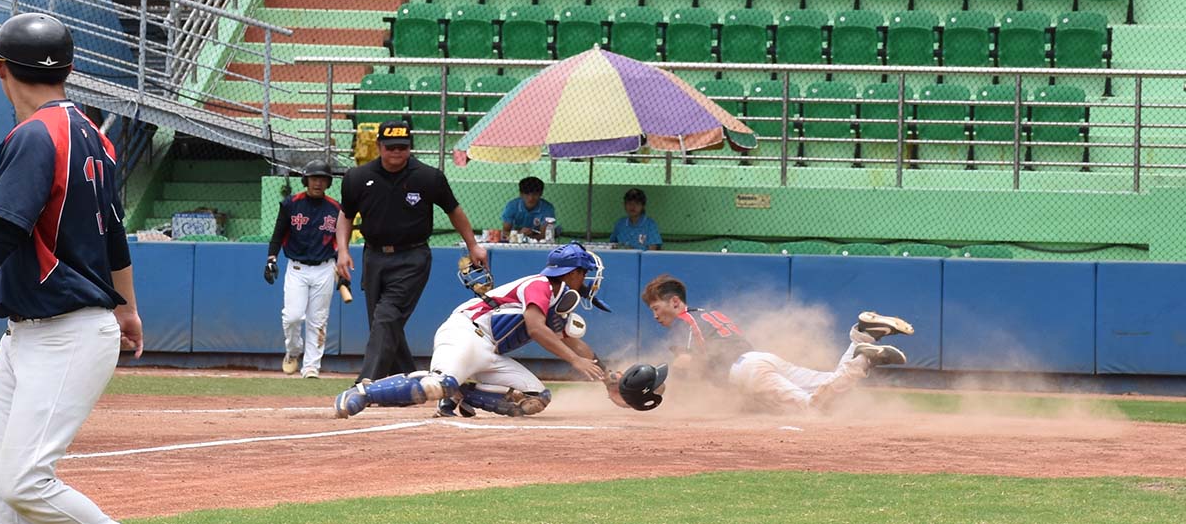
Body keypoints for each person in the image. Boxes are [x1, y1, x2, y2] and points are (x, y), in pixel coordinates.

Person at [0, 12, 143, 523]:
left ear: (1, 68)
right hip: (33, 334)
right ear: (69, 68)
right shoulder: (94, 134)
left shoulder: (34, 135)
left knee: (25, 481)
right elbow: (115, 234)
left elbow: (2, 230)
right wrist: (129, 309)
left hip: (63, 331)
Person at [335, 242, 613, 419]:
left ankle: (462, 392)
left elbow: (573, 342)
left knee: (536, 399)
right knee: (438, 384)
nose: (587, 278)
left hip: (489, 351)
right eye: (584, 272)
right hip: (466, 333)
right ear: (572, 273)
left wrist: (606, 376)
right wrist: (574, 362)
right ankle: (363, 393)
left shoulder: (558, 297)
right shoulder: (539, 285)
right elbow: (536, 329)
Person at [336, 120, 488, 384]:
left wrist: (472, 244)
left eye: (402, 147)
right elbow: (346, 216)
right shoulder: (357, 178)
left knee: (386, 315)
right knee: (384, 322)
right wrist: (343, 250)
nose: (396, 153)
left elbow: (454, 210)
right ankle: (408, 380)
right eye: (391, 147)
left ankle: (366, 382)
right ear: (379, 146)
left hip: (412, 257)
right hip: (374, 256)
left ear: (410, 147)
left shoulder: (428, 177)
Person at [641, 274, 910, 412]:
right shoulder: (709, 315)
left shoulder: (685, 321)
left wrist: (656, 385)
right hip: (760, 360)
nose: (655, 315)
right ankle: (862, 340)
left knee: (812, 407)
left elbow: (687, 365)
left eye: (656, 307)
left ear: (675, 302)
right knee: (830, 384)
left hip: (746, 371)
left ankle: (863, 354)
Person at [265, 159, 342, 379]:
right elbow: (278, 234)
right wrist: (271, 259)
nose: (318, 182)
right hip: (297, 268)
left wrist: (342, 271)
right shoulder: (291, 203)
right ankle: (293, 351)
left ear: (328, 182)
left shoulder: (336, 208)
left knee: (318, 320)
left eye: (322, 179)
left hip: (325, 268)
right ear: (306, 180)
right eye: (314, 178)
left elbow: (339, 241)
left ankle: (311, 367)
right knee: (292, 316)